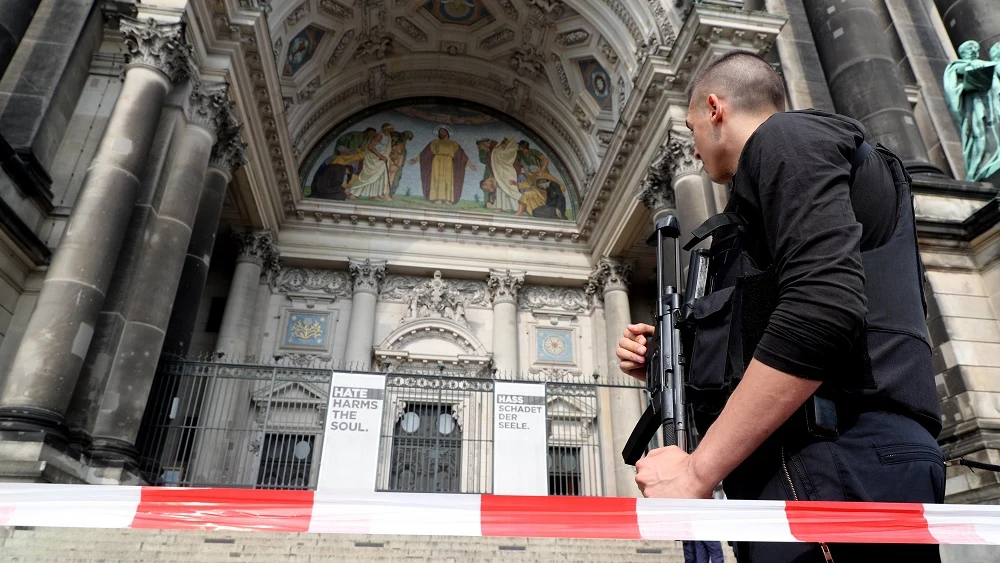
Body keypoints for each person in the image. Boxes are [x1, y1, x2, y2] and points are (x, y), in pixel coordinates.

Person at [616, 51, 944, 562]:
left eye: (690, 127)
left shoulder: (784, 140)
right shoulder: (769, 195)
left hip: (834, 455)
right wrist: (670, 358)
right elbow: (778, 322)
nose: (693, 147)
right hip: (821, 463)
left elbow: (822, 314)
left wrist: (698, 471)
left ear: (714, 108)